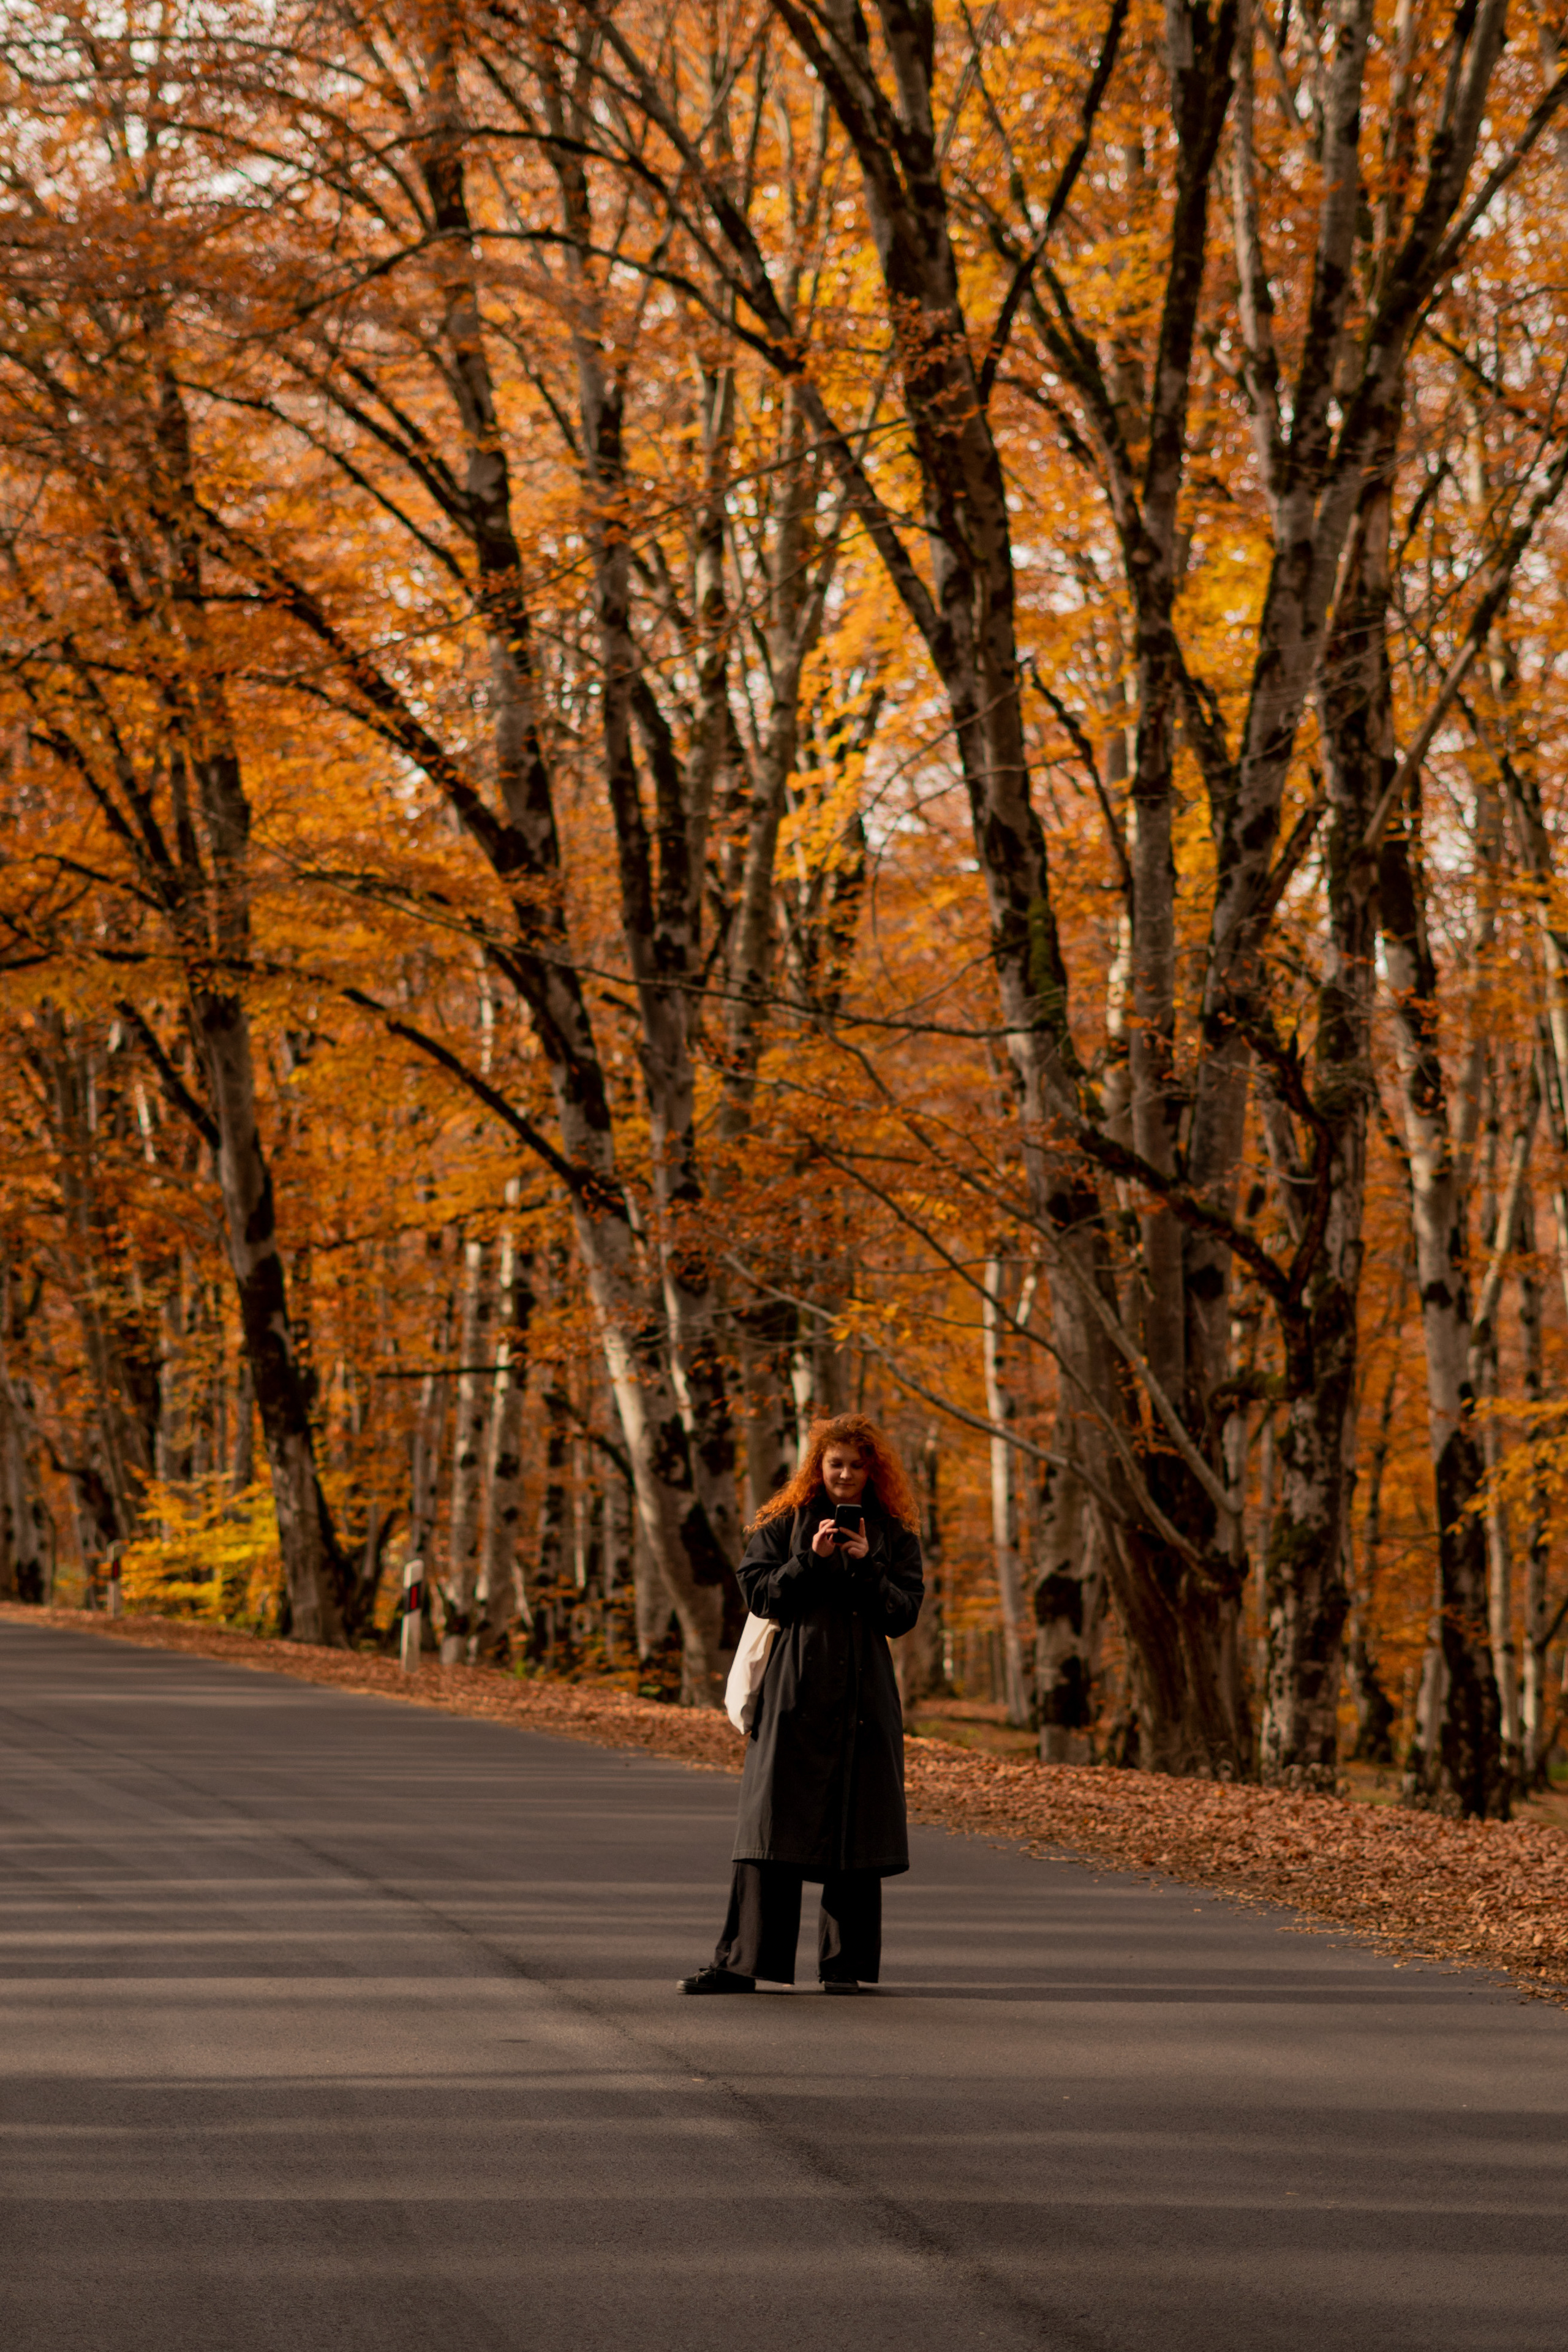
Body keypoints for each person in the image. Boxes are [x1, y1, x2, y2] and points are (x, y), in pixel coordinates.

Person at [677, 1413, 924, 1996]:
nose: (844, 1474)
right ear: (818, 1466)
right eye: (834, 1463)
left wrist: (867, 1565)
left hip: (866, 1698)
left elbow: (902, 1615)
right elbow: (759, 1594)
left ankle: (843, 1967)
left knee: (855, 1826)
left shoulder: (895, 1535)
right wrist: (809, 1559)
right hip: (791, 1692)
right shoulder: (782, 1524)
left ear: (872, 1471)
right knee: (768, 1826)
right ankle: (742, 1964)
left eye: (855, 1465)